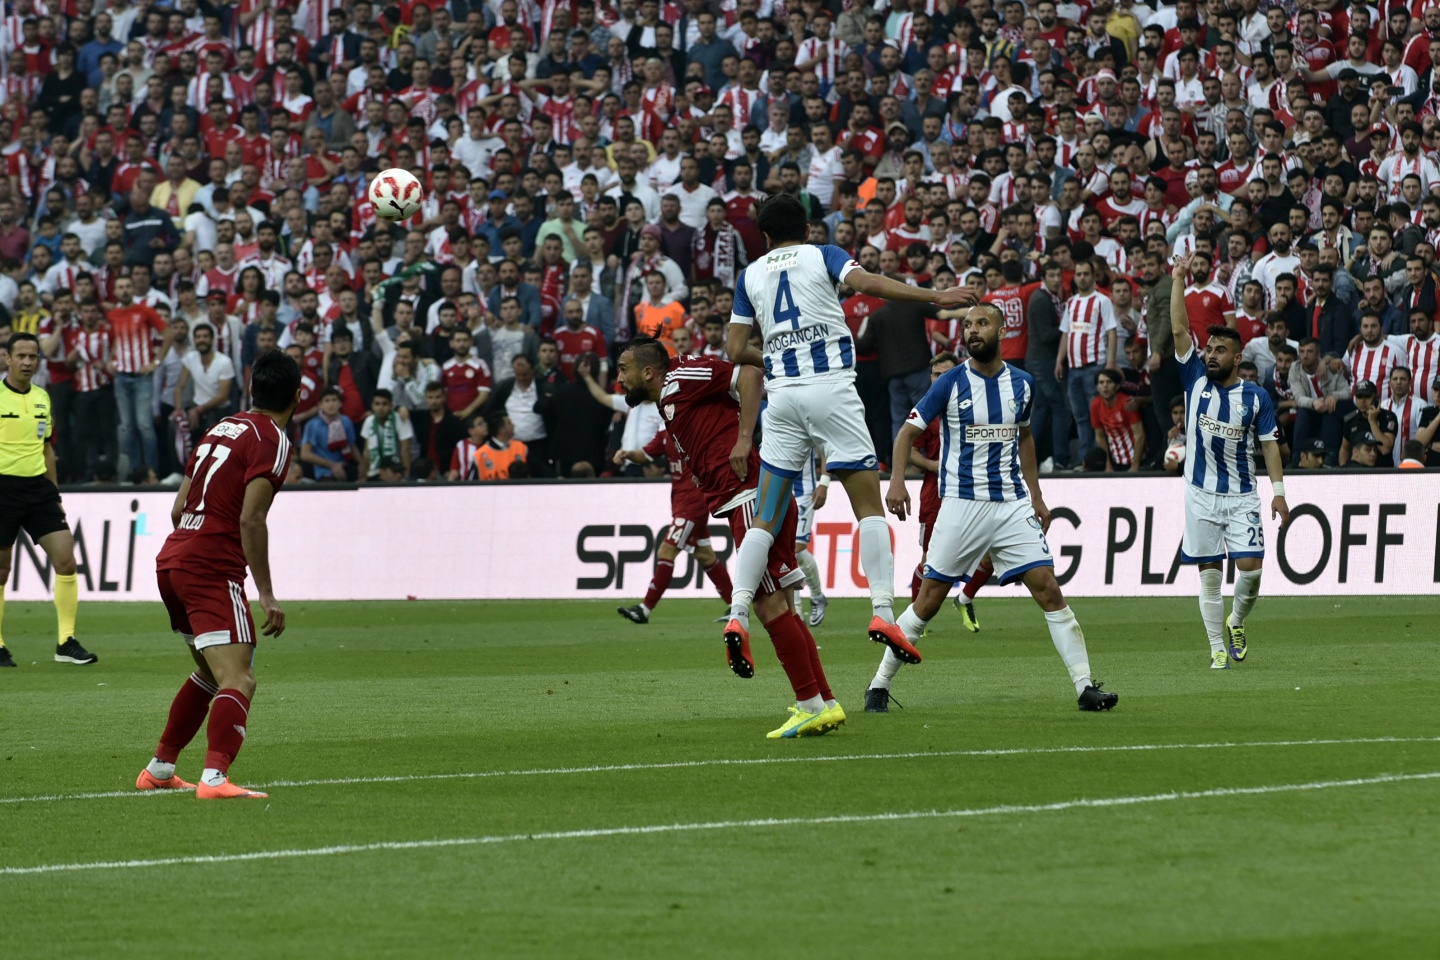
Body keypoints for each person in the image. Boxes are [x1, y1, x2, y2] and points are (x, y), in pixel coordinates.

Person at [722, 192, 973, 666]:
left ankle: (737, 614)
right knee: (868, 509)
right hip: (832, 390)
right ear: (807, 228)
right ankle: (883, 612)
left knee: (765, 519)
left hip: (783, 399)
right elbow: (868, 282)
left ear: (766, 235)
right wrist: (935, 296)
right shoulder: (823, 254)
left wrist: (775, 355)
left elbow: (735, 349)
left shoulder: (749, 274)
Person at [868, 303, 1118, 713]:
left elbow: (1025, 438)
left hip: (1011, 505)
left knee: (1049, 589)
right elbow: (906, 434)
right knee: (928, 601)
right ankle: (878, 684)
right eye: (967, 325)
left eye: (982, 323)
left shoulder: (1022, 384)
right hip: (962, 505)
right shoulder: (949, 383)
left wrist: (1036, 495)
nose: (973, 330)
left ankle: (1085, 686)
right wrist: (896, 481)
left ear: (1002, 331)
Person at [616, 335, 842, 739]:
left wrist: (744, 438)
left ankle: (809, 705)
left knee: (769, 607)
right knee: (784, 608)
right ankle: (824, 702)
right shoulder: (670, 396)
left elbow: (751, 374)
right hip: (751, 495)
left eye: (623, 370)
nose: (619, 378)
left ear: (647, 372)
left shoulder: (683, 375)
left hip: (750, 497)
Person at [135, 349, 301, 799]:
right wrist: (267, 594)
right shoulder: (273, 440)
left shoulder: (221, 427)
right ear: (297, 396)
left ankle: (160, 768)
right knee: (239, 677)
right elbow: (252, 519)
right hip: (209, 567)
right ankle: (214, 778)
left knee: (211, 673)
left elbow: (178, 508)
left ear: (251, 389)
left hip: (173, 561)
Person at [1170, 253, 1290, 670]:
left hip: (1242, 495)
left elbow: (1270, 446)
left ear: (1237, 358)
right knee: (1209, 575)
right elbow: (1179, 329)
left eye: (1220, 350)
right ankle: (1216, 648)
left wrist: (1278, 493)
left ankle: (1236, 621)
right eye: (1210, 349)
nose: (1211, 355)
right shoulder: (1194, 379)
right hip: (1200, 493)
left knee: (1251, 571)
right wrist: (1178, 278)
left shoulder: (1256, 397)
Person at [0, 334, 96, 668]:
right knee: (1, 570)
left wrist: (54, 494)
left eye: (33, 356)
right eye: (21, 356)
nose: (27, 362)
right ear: (7, 358)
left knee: (66, 560)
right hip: (3, 487)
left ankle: (66, 642)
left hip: (38, 489)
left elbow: (46, 448)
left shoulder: (42, 397)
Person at [612, 423, 735, 623]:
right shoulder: (664, 429)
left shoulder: (692, 424)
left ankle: (644, 609)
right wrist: (627, 454)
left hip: (693, 503)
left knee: (666, 551)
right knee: (705, 556)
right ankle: (735, 606)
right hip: (681, 501)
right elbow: (645, 455)